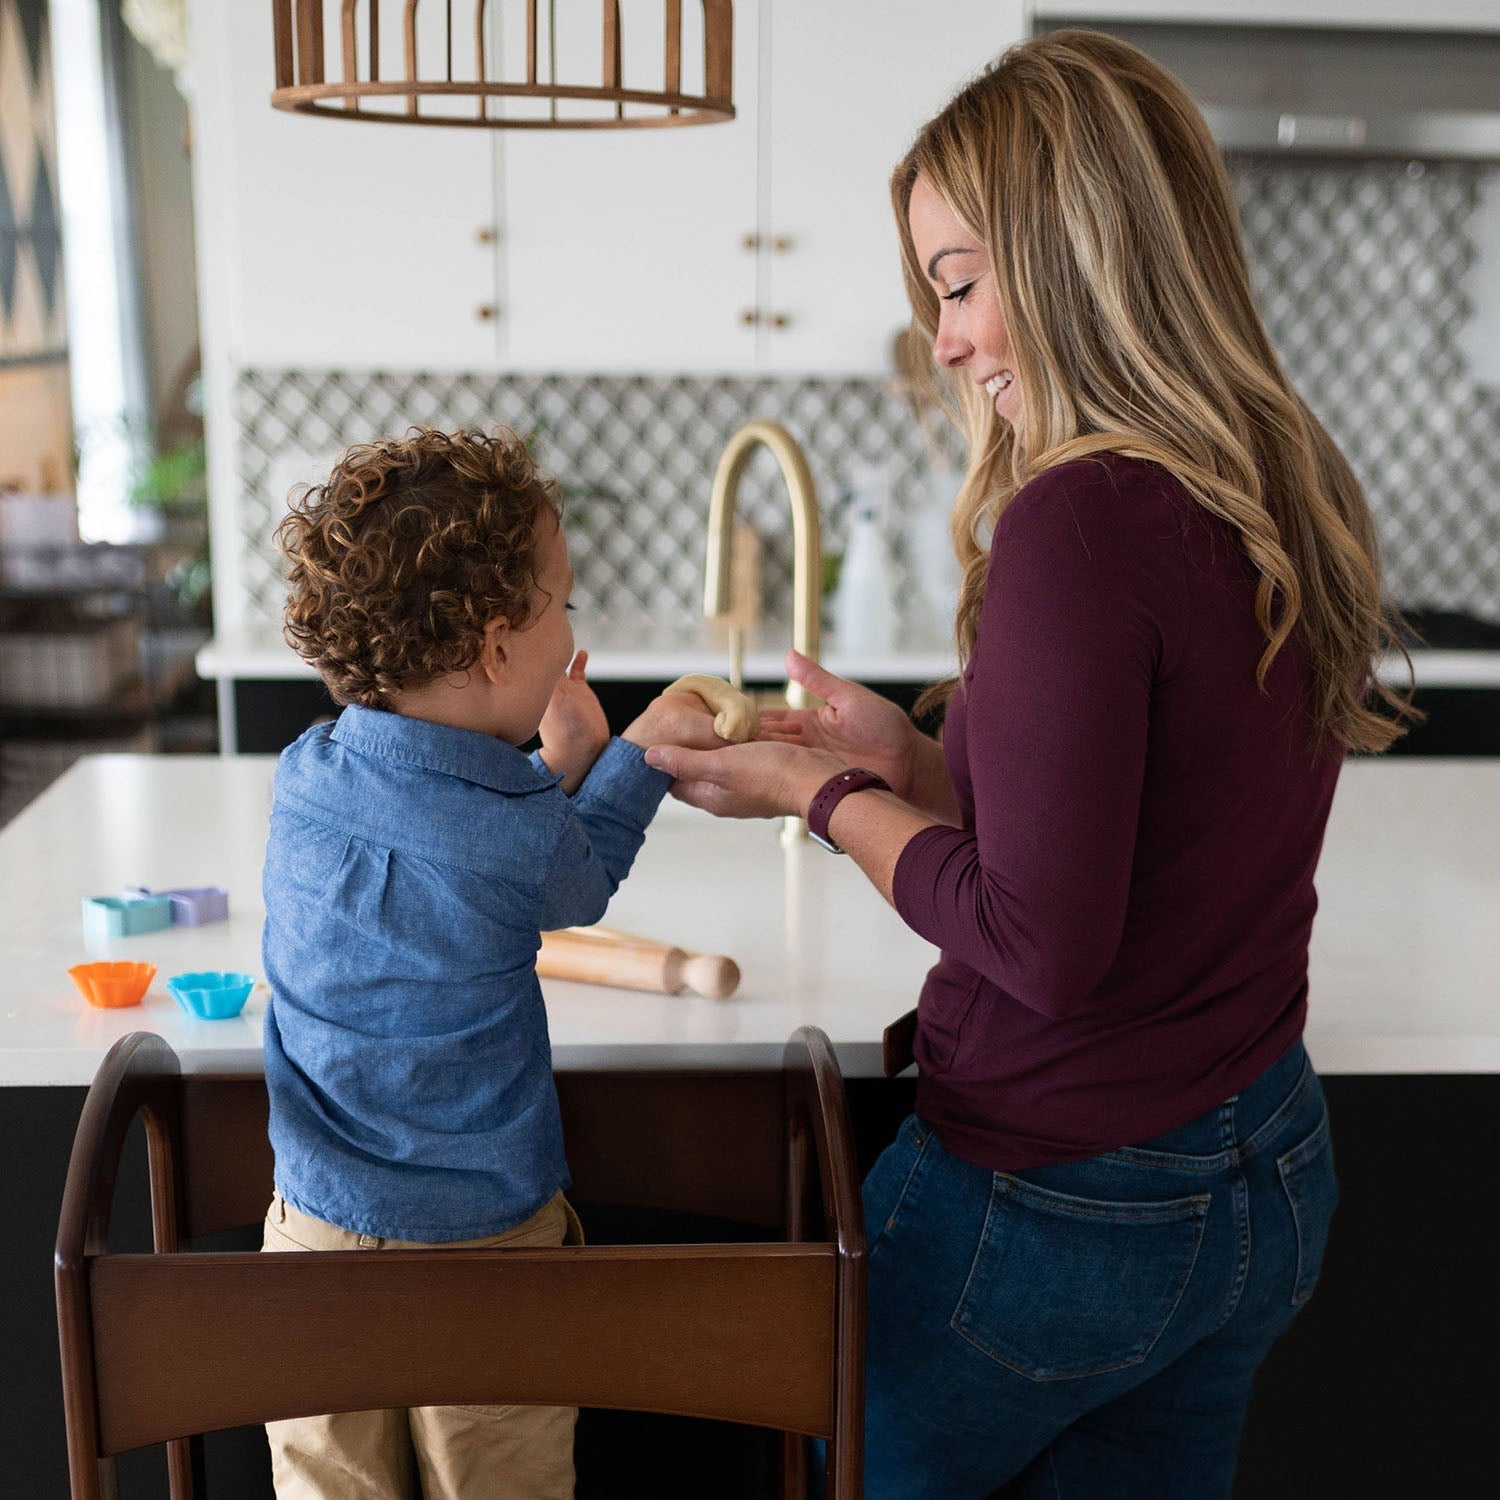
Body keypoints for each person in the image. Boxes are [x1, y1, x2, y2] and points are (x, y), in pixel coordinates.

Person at [643, 29, 1418, 1500]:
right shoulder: (1276, 469)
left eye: (957, 281)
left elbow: (1044, 948)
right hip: (1258, 1171)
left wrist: (819, 795)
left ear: (1075, 254)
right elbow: (1150, 831)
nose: (942, 340)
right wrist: (914, 764)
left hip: (1062, 1211)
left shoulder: (1081, 517)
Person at [259, 426, 722, 1500]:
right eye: (560, 603)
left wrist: (548, 766)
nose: (572, 630)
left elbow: (449, 839)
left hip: (315, 1227)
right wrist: (634, 751)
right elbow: (573, 878)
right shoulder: (514, 829)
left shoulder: (304, 776)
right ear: (491, 647)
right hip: (485, 1242)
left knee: (332, 1488)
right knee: (499, 1483)